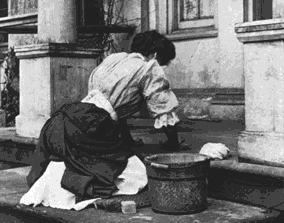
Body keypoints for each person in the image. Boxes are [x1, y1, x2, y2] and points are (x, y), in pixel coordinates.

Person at [20, 30, 180, 210]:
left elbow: (113, 114)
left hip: (60, 121)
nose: (163, 68)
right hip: (87, 128)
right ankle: (70, 189)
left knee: (111, 160)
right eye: (165, 63)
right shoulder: (149, 67)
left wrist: (128, 145)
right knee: (138, 175)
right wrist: (174, 145)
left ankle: (55, 184)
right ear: (155, 55)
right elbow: (165, 112)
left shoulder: (114, 59)